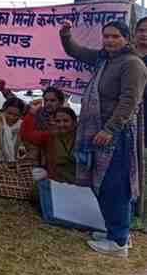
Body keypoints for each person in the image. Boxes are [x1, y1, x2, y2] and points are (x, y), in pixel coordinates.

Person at [60, 19, 147, 256]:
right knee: (103, 184)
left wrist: (110, 129)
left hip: (117, 135)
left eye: (115, 36)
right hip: (99, 131)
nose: (110, 40)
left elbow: (129, 102)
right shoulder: (105, 59)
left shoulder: (132, 64)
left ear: (126, 39)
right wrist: (66, 34)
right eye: (106, 36)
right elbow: (75, 51)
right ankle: (116, 232)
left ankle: (118, 243)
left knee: (115, 186)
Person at [20, 100, 78, 184]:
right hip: (56, 182)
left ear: (74, 122)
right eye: (58, 121)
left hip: (81, 184)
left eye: (66, 121)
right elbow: (27, 134)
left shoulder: (83, 139)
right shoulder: (50, 136)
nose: (61, 124)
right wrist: (31, 114)